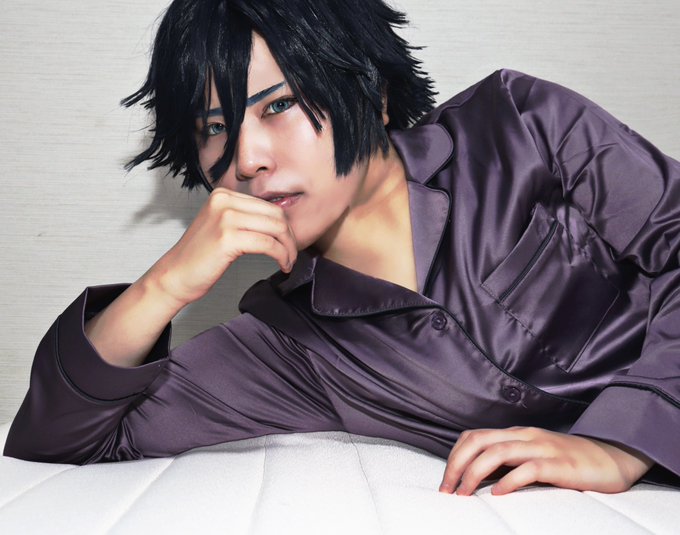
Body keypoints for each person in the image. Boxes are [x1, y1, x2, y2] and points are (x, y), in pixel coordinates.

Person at [4, 0, 680, 496]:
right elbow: (56, 443)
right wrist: (165, 285)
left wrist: (620, 442)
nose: (246, 158)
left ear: (374, 93)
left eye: (277, 106)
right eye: (214, 127)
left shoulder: (520, 124)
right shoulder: (289, 345)